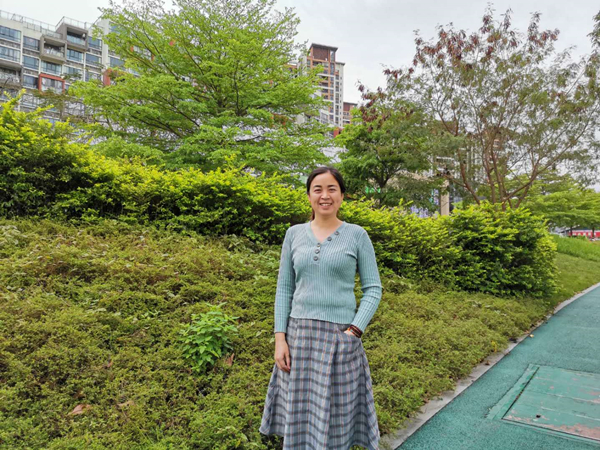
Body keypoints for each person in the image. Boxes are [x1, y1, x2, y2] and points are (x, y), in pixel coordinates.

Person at [259, 166, 382, 449]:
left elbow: (373, 288)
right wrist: (280, 339)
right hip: (298, 339)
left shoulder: (357, 235)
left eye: (331, 189)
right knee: (301, 415)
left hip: (340, 339)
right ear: (309, 196)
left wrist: (354, 331)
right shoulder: (294, 234)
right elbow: (284, 289)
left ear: (342, 196)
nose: (324, 195)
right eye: (318, 189)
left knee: (336, 414)